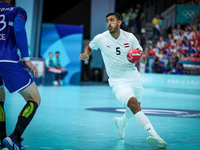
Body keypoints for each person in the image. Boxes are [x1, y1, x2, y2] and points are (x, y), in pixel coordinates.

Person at [79, 12, 167, 149]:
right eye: (107, 20)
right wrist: (86, 54)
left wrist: (142, 57)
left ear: (119, 22)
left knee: (136, 106)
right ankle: (156, 136)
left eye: (112, 20)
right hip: (117, 80)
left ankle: (122, 123)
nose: (109, 23)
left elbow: (142, 55)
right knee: (133, 103)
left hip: (133, 75)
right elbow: (89, 47)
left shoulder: (130, 37)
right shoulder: (101, 38)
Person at [0, 0, 41, 149]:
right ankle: (14, 138)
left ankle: (2, 140)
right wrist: (27, 59)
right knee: (34, 98)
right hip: (7, 59)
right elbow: (18, 30)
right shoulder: (18, 11)